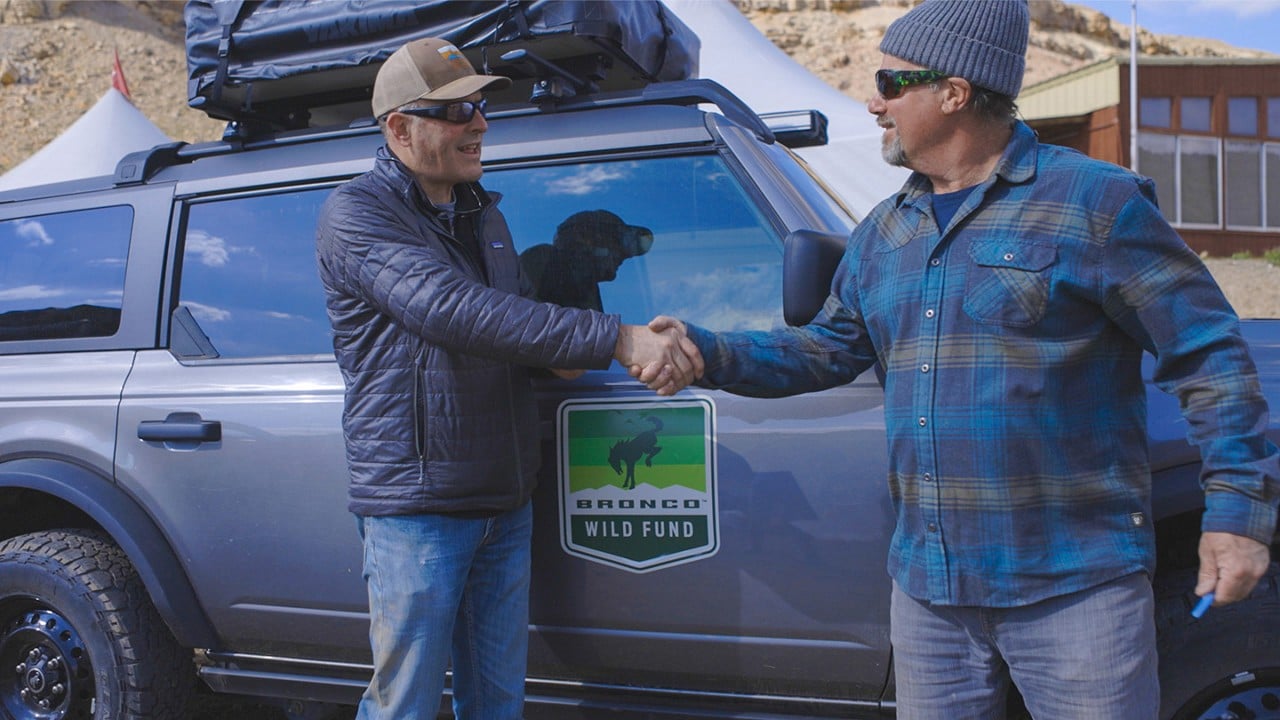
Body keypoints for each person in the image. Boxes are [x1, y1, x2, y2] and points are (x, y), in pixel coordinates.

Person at [642, 1, 1280, 717]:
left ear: (955, 91)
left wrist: (1236, 513)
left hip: (1074, 590)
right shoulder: (886, 230)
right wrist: (705, 349)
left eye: (890, 81)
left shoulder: (1095, 202)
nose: (873, 100)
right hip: (929, 599)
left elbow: (1210, 355)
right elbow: (824, 351)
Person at [314, 37, 701, 720]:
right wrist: (613, 339)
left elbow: (516, 317)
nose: (481, 124)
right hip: (420, 507)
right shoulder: (358, 213)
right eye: (458, 109)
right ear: (400, 128)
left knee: (496, 703)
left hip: (504, 499)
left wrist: (582, 345)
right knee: (402, 705)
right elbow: (449, 309)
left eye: (482, 106)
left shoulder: (483, 214)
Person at [520, 209, 654, 311]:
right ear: (585, 240)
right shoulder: (543, 259)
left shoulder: (587, 290)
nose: (623, 256)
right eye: (616, 241)